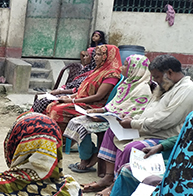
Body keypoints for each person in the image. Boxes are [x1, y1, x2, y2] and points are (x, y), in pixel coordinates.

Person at [84, 55, 193, 194]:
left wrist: (134, 123)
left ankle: (116, 187)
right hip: (148, 130)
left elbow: (166, 120)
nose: (156, 81)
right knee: (112, 131)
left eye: (158, 77)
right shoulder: (167, 86)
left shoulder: (188, 90)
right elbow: (149, 111)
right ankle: (108, 177)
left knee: (132, 148)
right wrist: (130, 117)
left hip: (167, 136)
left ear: (170, 73)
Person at [65, 54, 152, 182]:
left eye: (126, 65)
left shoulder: (143, 88)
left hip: (123, 122)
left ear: (135, 68)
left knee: (92, 126)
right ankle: (88, 156)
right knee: (76, 121)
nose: (122, 68)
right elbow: (114, 104)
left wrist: (103, 117)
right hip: (110, 116)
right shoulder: (126, 84)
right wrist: (98, 111)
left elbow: (133, 111)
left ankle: (105, 171)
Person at [45, 45, 121, 133]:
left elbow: (98, 96)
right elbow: (82, 90)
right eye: (95, 54)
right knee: (52, 105)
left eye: (99, 55)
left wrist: (72, 101)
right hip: (83, 102)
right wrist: (69, 97)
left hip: (93, 106)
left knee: (57, 110)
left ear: (108, 57)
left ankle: (60, 139)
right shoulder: (98, 70)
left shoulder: (112, 74)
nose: (95, 57)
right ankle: (52, 137)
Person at [32, 48, 95, 114]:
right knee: (40, 98)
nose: (84, 58)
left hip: (75, 95)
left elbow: (78, 89)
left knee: (46, 102)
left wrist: (63, 93)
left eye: (87, 56)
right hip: (70, 92)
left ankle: (42, 120)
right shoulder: (86, 69)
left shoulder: (93, 73)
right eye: (84, 56)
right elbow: (74, 84)